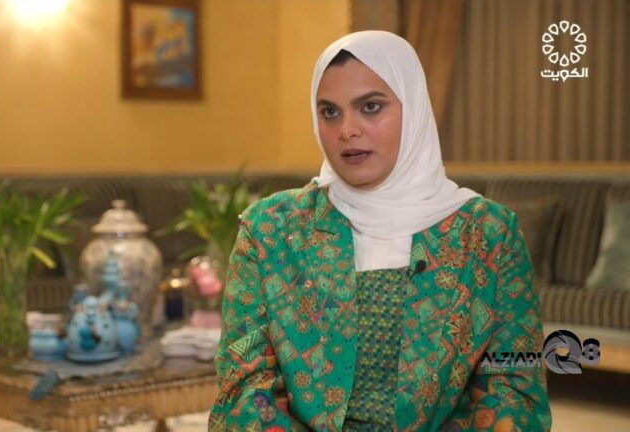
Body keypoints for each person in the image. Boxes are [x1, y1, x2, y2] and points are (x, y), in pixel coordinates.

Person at [209, 31, 551, 431]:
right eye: (329, 112)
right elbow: (245, 385)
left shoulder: (487, 235)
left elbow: (514, 388)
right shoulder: (271, 230)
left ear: (414, 108)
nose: (346, 130)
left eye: (370, 107)